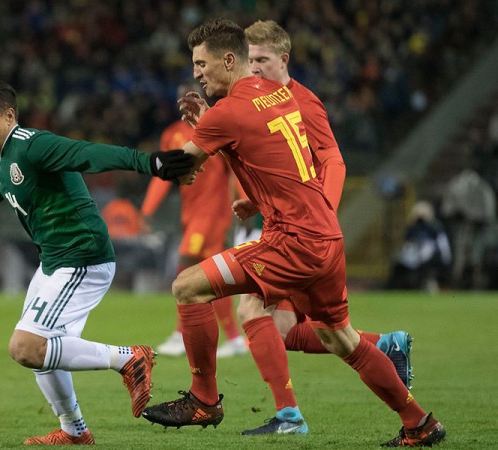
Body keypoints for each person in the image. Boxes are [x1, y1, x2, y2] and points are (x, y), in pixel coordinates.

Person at [142, 19, 445, 447]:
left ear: (228, 61)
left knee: (187, 287)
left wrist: (139, 160)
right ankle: (419, 422)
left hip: (290, 242)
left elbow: (183, 165)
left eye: (201, 64)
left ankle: (204, 400)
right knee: (340, 338)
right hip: (326, 239)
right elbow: (267, 155)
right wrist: (253, 191)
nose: (196, 74)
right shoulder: (280, 94)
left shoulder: (228, 112)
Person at [0, 80, 194, 445]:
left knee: (25, 346)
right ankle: (74, 431)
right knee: (42, 350)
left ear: (9, 116)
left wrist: (150, 162)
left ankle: (129, 359)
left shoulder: (33, 145)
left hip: (83, 257)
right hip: (53, 263)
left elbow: (87, 153)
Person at [142, 90, 247, 358]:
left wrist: (246, 199)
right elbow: (162, 174)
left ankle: (181, 334)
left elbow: (236, 168)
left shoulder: (215, 129)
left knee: (186, 266)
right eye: (181, 99)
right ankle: (234, 338)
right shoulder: (172, 134)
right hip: (190, 215)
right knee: (212, 276)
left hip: (212, 214)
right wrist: (147, 209)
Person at [387, 200, 451, 291]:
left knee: (426, 266)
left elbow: (443, 247)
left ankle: (428, 283)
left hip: (431, 257)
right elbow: (407, 244)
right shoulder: (413, 229)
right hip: (414, 256)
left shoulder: (435, 228)